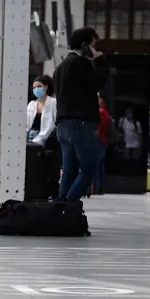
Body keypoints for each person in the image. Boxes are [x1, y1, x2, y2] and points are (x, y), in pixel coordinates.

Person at [53, 26, 108, 202]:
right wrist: (99, 61)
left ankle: (60, 211)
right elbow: (97, 82)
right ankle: (67, 206)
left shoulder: (60, 67)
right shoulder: (80, 63)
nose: (95, 49)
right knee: (89, 168)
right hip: (79, 124)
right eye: (93, 45)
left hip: (63, 125)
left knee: (69, 170)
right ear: (85, 45)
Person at [93, 94, 111, 195]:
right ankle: (100, 187)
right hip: (103, 140)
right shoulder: (105, 112)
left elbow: (98, 129)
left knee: (96, 164)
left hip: (98, 140)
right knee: (100, 165)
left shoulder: (100, 112)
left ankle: (96, 187)